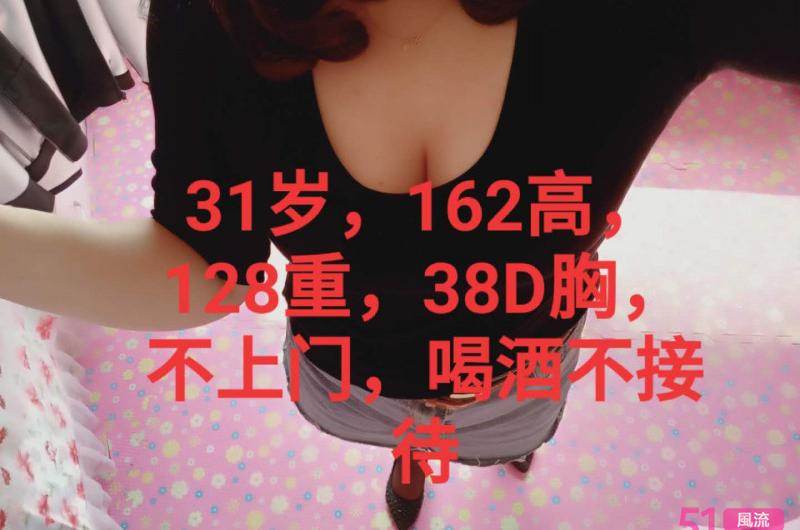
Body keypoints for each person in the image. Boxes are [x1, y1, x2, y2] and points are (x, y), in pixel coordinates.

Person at [1, 0, 798, 528]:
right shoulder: (212, 14)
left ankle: (498, 446)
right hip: (347, 378)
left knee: (514, 431)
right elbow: (203, 261)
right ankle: (412, 468)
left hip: (526, 370)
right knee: (410, 446)